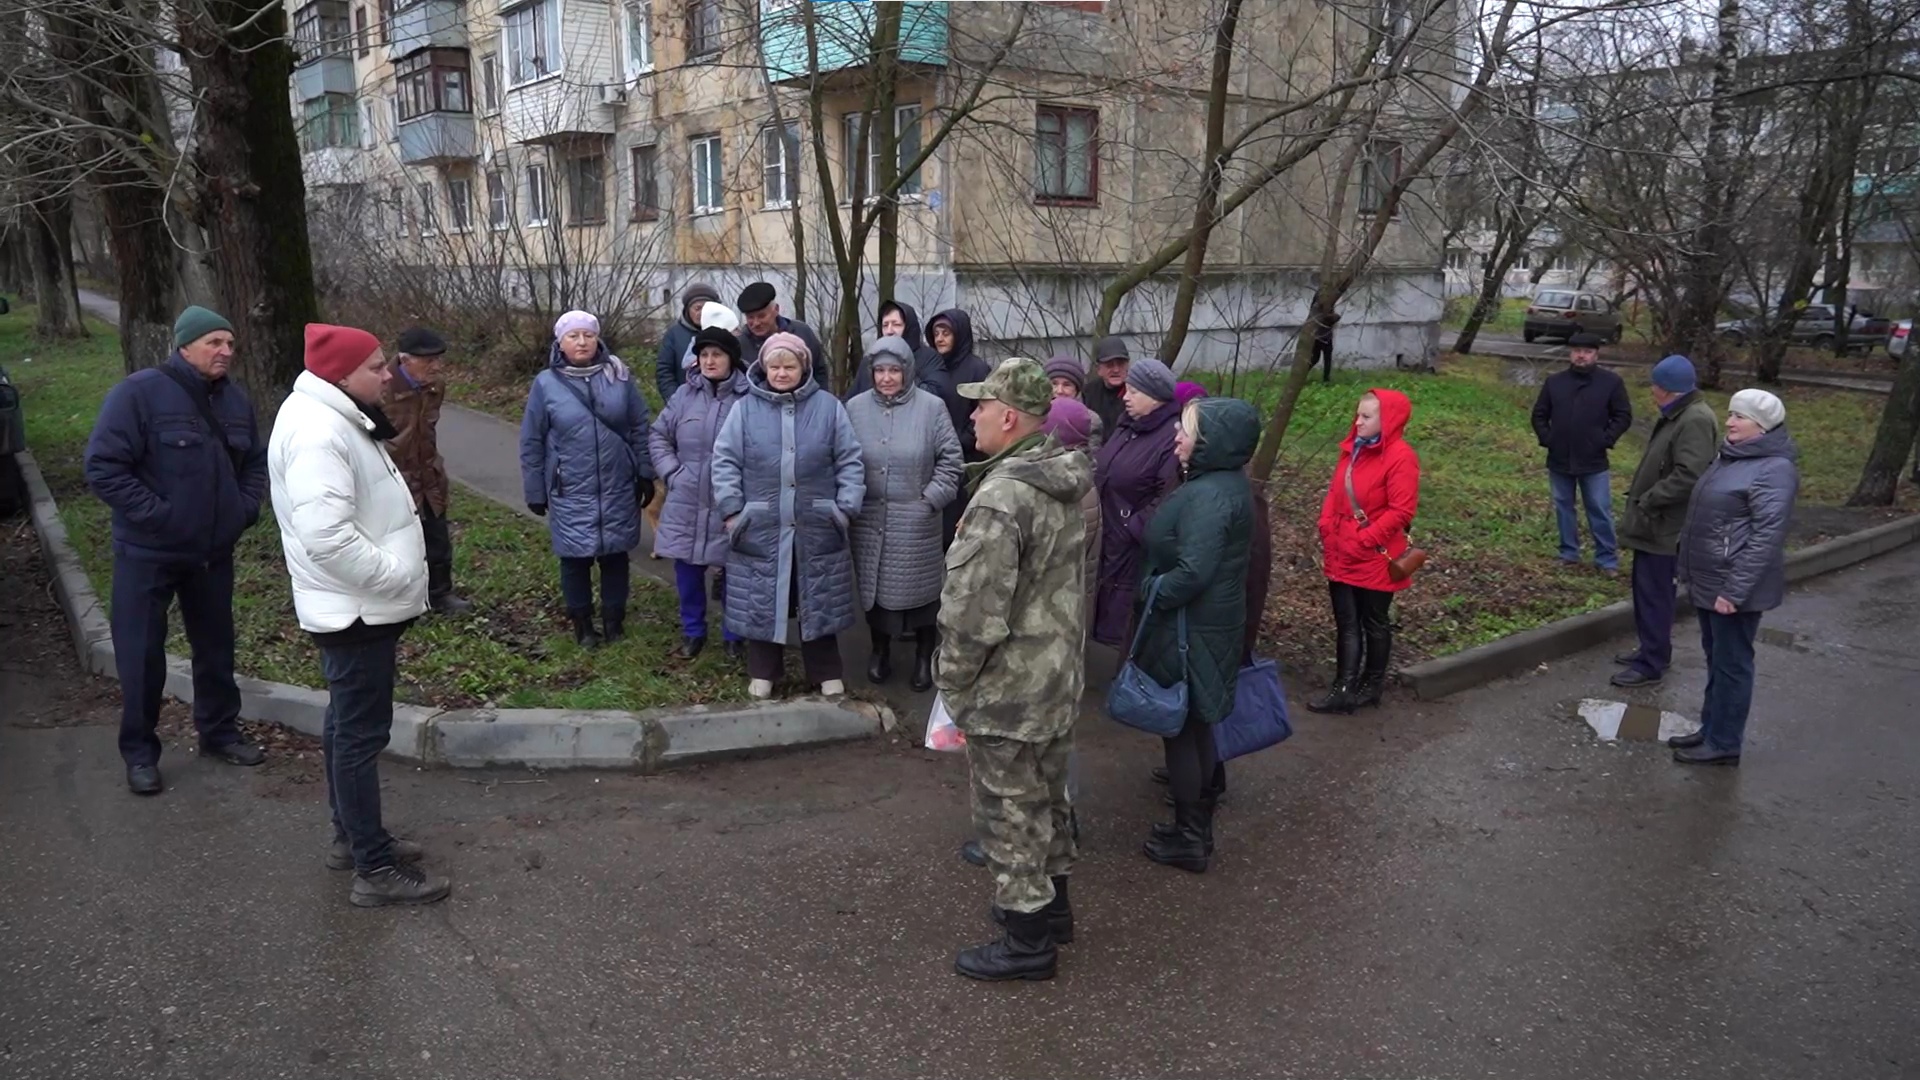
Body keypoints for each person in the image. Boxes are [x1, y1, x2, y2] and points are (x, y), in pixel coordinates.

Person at [269, 323, 449, 907]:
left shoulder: (333, 414)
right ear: (340, 373)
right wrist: (396, 576)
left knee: (347, 725)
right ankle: (372, 868)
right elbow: (326, 538)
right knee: (359, 735)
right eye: (374, 366)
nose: (385, 374)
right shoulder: (320, 431)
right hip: (356, 609)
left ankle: (353, 839)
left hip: (355, 606)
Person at [938, 357, 1093, 982]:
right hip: (1054, 674)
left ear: (1009, 417)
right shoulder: (1060, 476)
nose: (971, 415)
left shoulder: (1003, 495)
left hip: (1010, 686)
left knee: (1010, 811)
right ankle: (1053, 913)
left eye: (980, 406)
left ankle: (1027, 940)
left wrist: (954, 681)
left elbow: (972, 612)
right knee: (1048, 798)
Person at [84, 305, 269, 795]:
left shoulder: (234, 402)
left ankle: (219, 733)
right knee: (141, 656)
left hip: (211, 553)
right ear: (184, 345)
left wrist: (242, 510)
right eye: (214, 342)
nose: (226, 352)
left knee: (215, 648)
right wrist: (160, 516)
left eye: (230, 344)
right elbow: (103, 468)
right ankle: (140, 753)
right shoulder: (138, 394)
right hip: (147, 554)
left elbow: (254, 464)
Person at [1134, 397, 1260, 872]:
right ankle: (1196, 828)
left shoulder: (1209, 496)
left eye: (1187, 431)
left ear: (1212, 443)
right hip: (1209, 626)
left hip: (1191, 629)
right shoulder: (1223, 485)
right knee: (1199, 724)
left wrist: (1150, 590)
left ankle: (1190, 838)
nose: (1178, 438)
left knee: (1183, 731)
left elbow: (1193, 572)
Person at [711, 331, 864, 699]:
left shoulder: (828, 407)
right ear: (764, 367)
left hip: (817, 523)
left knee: (818, 596)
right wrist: (734, 512)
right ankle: (764, 672)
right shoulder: (744, 408)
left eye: (789, 366)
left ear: (804, 367)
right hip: (760, 525)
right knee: (764, 599)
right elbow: (725, 461)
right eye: (775, 366)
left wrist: (843, 509)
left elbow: (850, 460)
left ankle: (826, 672)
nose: (781, 373)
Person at [1671, 389, 1799, 767]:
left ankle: (1724, 742)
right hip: (1711, 581)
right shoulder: (1731, 457)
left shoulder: (1774, 469)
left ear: (1761, 427)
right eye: (1730, 414)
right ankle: (1710, 729)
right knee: (1717, 659)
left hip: (1734, 588)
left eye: (1739, 417)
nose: (1729, 422)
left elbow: (1766, 538)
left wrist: (1734, 591)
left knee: (1732, 665)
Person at [518, 310, 656, 649]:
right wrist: (536, 488)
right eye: (573, 336)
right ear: (560, 343)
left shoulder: (619, 376)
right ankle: (582, 626)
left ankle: (614, 622)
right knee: (574, 558)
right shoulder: (546, 384)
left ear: (598, 339)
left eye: (588, 335)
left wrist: (645, 471)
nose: (582, 342)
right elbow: (532, 439)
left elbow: (640, 425)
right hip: (570, 487)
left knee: (615, 555)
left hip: (617, 483)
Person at [845, 336, 964, 690]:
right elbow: (842, 458)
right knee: (874, 594)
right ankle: (878, 650)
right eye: (879, 370)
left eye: (893, 370)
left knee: (922, 597)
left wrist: (930, 499)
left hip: (916, 518)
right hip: (868, 519)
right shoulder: (854, 409)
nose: (886, 378)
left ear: (907, 371)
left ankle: (924, 658)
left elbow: (952, 460)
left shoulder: (932, 408)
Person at [1309, 389, 1421, 714]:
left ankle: (1371, 686)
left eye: (1366, 417)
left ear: (1388, 420)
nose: (1357, 422)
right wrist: (1326, 525)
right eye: (1357, 415)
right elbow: (1334, 492)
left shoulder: (1401, 457)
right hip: (1342, 548)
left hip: (1374, 553)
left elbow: (1401, 510)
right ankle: (1342, 689)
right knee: (1346, 621)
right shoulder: (1351, 451)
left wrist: (1366, 537)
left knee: (1373, 620)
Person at [1611, 355, 1718, 689]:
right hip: (1656, 523)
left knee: (1655, 593)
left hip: (1665, 525)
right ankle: (1652, 648)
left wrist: (1651, 498)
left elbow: (1691, 473)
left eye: (1654, 386)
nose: (1651, 392)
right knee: (1648, 590)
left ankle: (1651, 663)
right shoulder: (1681, 414)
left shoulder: (1694, 420)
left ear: (1666, 389)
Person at [651, 325, 749, 661]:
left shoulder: (750, 397)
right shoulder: (684, 395)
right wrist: (673, 473)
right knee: (688, 569)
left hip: (729, 499)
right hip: (687, 496)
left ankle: (734, 634)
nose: (709, 361)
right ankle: (693, 630)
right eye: (703, 355)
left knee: (734, 568)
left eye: (716, 355)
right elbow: (659, 436)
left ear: (731, 359)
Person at [1091, 356, 1182, 648]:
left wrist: (1132, 528)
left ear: (1155, 397)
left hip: (1133, 548)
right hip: (1105, 536)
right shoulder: (1127, 425)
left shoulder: (1171, 437)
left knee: (1121, 620)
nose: (1125, 397)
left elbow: (1169, 495)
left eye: (1134, 392)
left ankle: (1114, 683)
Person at [1531, 331, 1632, 572]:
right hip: (1559, 458)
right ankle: (1569, 553)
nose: (1581, 356)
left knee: (1599, 507)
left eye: (1587, 352)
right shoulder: (1555, 382)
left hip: (1594, 460)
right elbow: (1539, 414)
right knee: (1563, 506)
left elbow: (1623, 415)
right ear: (1570, 353)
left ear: (1596, 354)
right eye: (1577, 351)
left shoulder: (1610, 383)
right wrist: (1548, 438)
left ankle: (1606, 559)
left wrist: (1604, 439)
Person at [385, 326, 470, 615]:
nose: (436, 366)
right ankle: (403, 600)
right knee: (399, 542)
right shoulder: (381, 388)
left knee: (437, 538)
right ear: (405, 360)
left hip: (428, 472)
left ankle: (440, 594)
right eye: (427, 360)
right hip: (393, 477)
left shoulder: (436, 386)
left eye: (438, 359)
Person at [925, 308, 993, 544]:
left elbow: (985, 412)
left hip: (966, 461)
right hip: (932, 459)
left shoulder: (977, 369)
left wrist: (957, 440)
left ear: (960, 335)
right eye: (936, 332)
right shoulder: (931, 368)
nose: (940, 338)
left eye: (946, 332)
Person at [737, 281, 830, 392]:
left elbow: (819, 372)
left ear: (776, 309)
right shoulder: (740, 344)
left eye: (761, 316)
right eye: (750, 318)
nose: (756, 323)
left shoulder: (802, 332)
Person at [849, 299, 940, 396]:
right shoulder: (869, 361)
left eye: (896, 325)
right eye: (885, 325)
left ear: (909, 328)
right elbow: (850, 401)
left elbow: (934, 395)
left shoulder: (929, 358)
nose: (889, 331)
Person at [654, 282, 720, 406]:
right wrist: (675, 401)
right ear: (688, 310)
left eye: (706, 308)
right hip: (685, 403)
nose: (701, 313)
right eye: (697, 308)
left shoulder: (726, 332)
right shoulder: (674, 334)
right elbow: (664, 372)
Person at [1044, 354, 1103, 447]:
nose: (1059, 391)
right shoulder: (1034, 419)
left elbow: (1091, 456)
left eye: (1067, 385)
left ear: (1077, 390)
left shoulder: (1091, 420)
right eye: (1054, 384)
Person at [1080, 335, 1130, 434]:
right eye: (1110, 365)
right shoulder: (1089, 392)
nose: (1116, 370)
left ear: (1128, 366)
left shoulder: (1137, 391)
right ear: (1099, 369)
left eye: (1120, 364)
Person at [1313, 311, 1340, 383]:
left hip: (1324, 338)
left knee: (1326, 360)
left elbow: (1337, 317)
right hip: (1319, 338)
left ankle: (1326, 379)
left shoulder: (1327, 308)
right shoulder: (1318, 311)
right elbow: (1336, 317)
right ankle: (1303, 374)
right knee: (1315, 359)